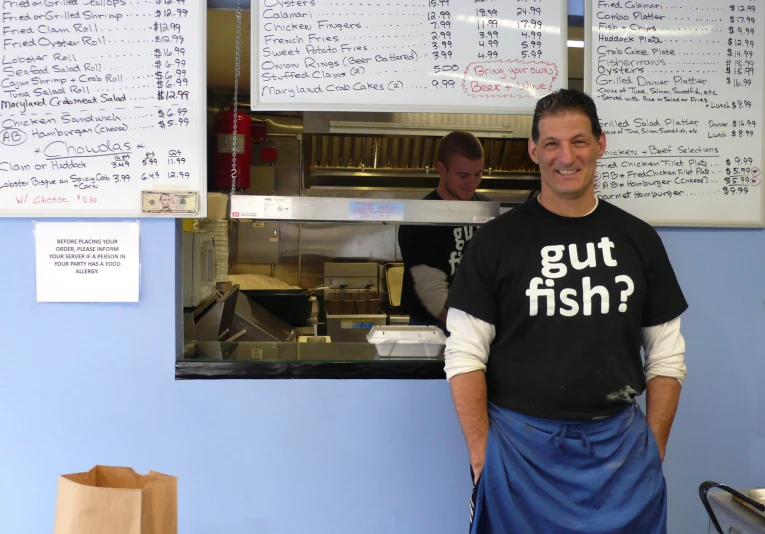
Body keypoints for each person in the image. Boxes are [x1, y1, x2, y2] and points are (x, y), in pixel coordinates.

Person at [444, 89, 688, 534]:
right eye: (552, 143)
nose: (566, 156)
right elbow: (463, 357)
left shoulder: (639, 240)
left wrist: (652, 451)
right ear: (534, 151)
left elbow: (666, 357)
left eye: (578, 141)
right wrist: (483, 457)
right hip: (519, 453)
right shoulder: (494, 244)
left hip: (619, 454)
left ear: (600, 144)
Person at [397, 131, 490, 332]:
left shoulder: (487, 210)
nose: (472, 183)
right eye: (463, 175)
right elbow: (431, 290)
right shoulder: (419, 218)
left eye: (478, 174)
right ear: (441, 169)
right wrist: (464, 331)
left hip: (477, 320)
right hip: (431, 324)